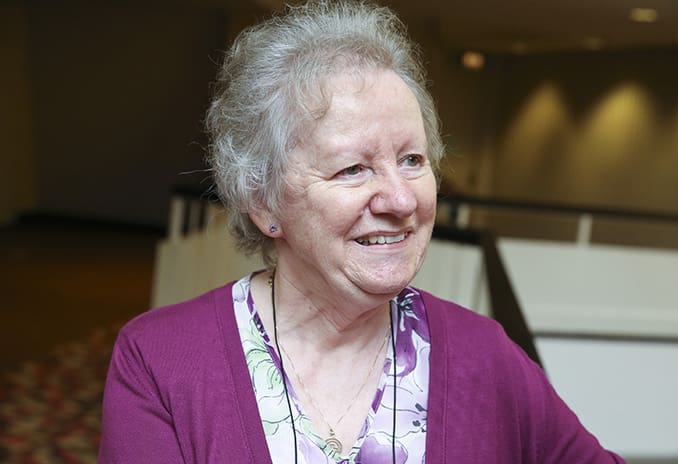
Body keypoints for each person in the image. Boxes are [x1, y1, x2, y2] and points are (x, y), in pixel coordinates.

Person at [99, 1, 625, 463]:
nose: (401, 200)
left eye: (413, 160)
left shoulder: (483, 356)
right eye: (353, 168)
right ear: (263, 203)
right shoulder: (161, 361)